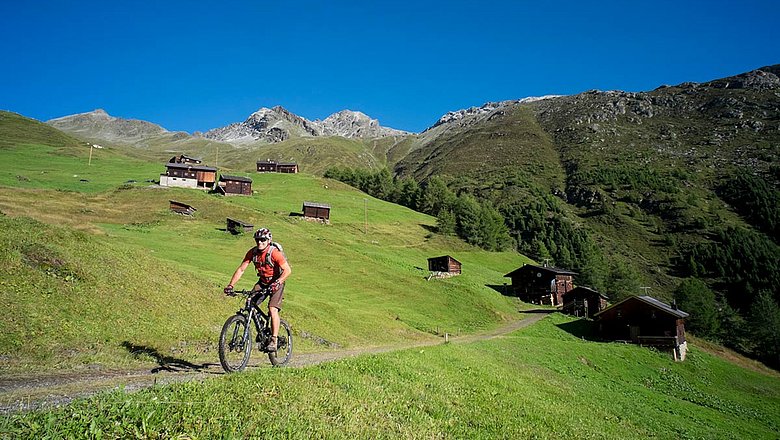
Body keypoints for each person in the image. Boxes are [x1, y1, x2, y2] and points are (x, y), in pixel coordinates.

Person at [224, 227, 291, 352]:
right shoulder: (252, 253)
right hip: (263, 282)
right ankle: (261, 327)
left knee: (272, 309)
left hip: (277, 282)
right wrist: (230, 285)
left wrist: (278, 282)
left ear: (268, 240)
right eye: (257, 240)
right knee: (249, 302)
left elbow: (287, 270)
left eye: (263, 240)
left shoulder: (274, 253)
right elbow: (241, 270)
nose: (260, 242)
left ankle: (274, 339)